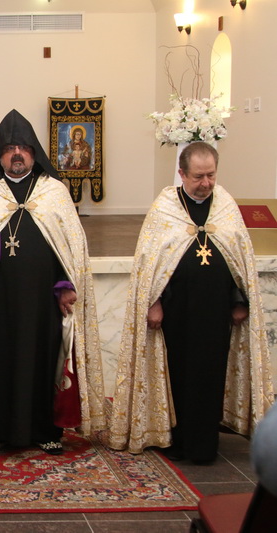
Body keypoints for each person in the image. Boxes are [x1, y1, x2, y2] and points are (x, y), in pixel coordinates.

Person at [109, 142, 273, 464]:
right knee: (179, 376)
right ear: (182, 174)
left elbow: (240, 259)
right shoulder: (165, 209)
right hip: (176, 312)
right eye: (199, 176)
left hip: (216, 313)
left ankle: (204, 444)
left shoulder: (224, 205)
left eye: (211, 175)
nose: (206, 183)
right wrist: (153, 303)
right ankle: (177, 440)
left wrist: (240, 302)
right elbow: (150, 264)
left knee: (210, 376)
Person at [0, 109, 106, 456]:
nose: (17, 154)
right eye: (9, 149)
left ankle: (46, 430)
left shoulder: (54, 193)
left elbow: (69, 248)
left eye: (23, 147)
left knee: (44, 362)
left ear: (35, 152)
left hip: (42, 301)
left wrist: (67, 284)